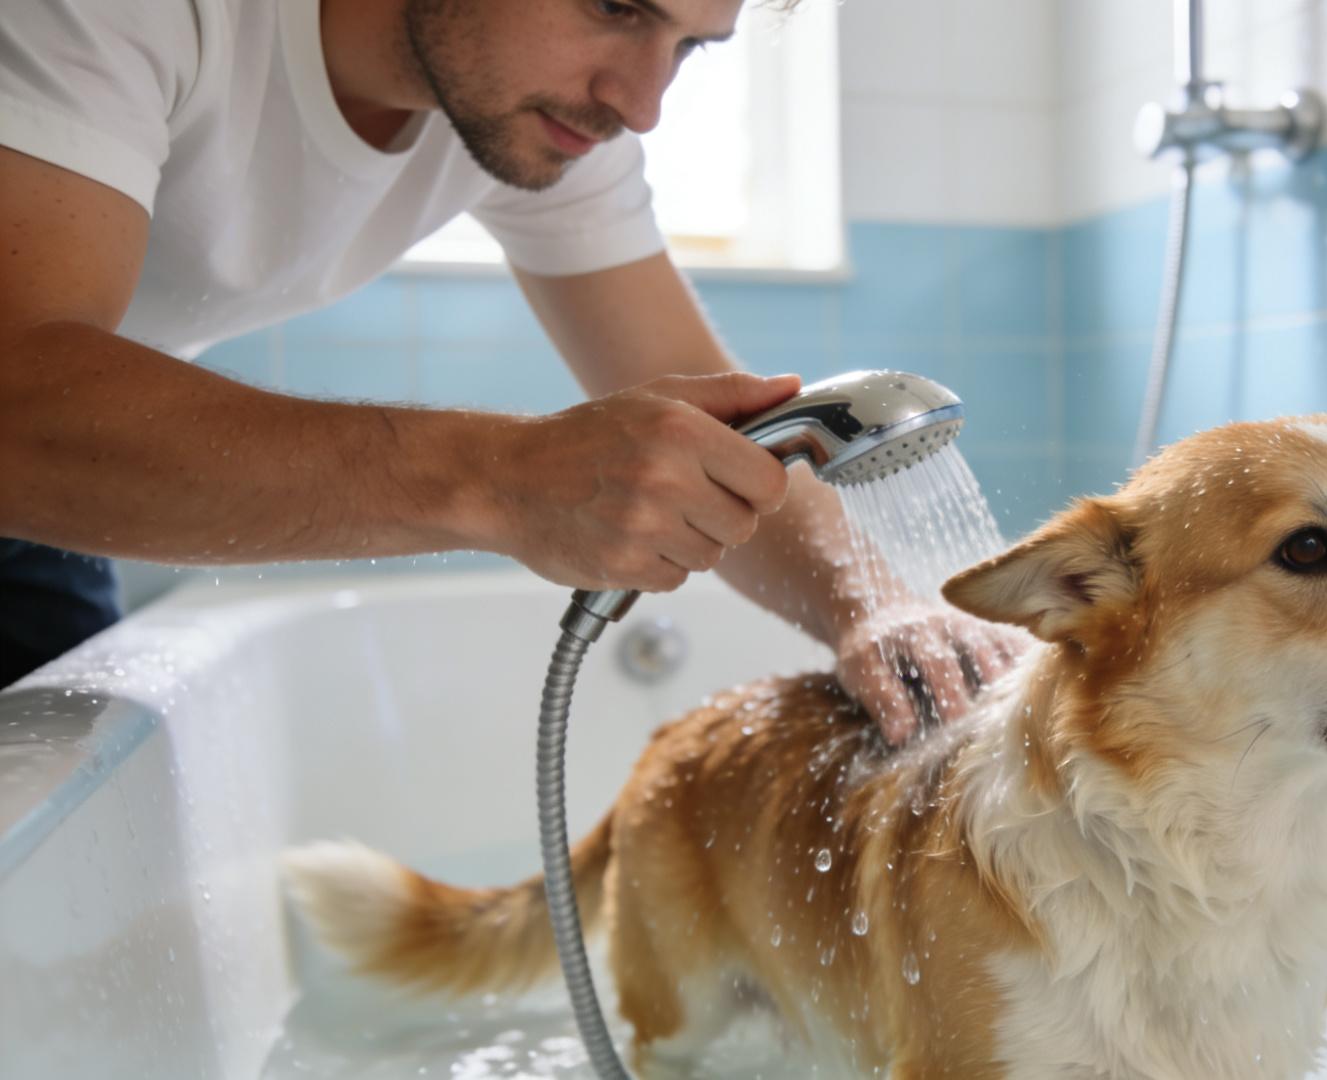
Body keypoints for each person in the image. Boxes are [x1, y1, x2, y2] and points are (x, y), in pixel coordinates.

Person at [0, 0, 1020, 739]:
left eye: (690, 46)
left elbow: (702, 402)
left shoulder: (542, 114)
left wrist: (872, 605)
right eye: (614, 6)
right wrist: (501, 478)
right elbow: (14, 403)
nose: (642, 104)